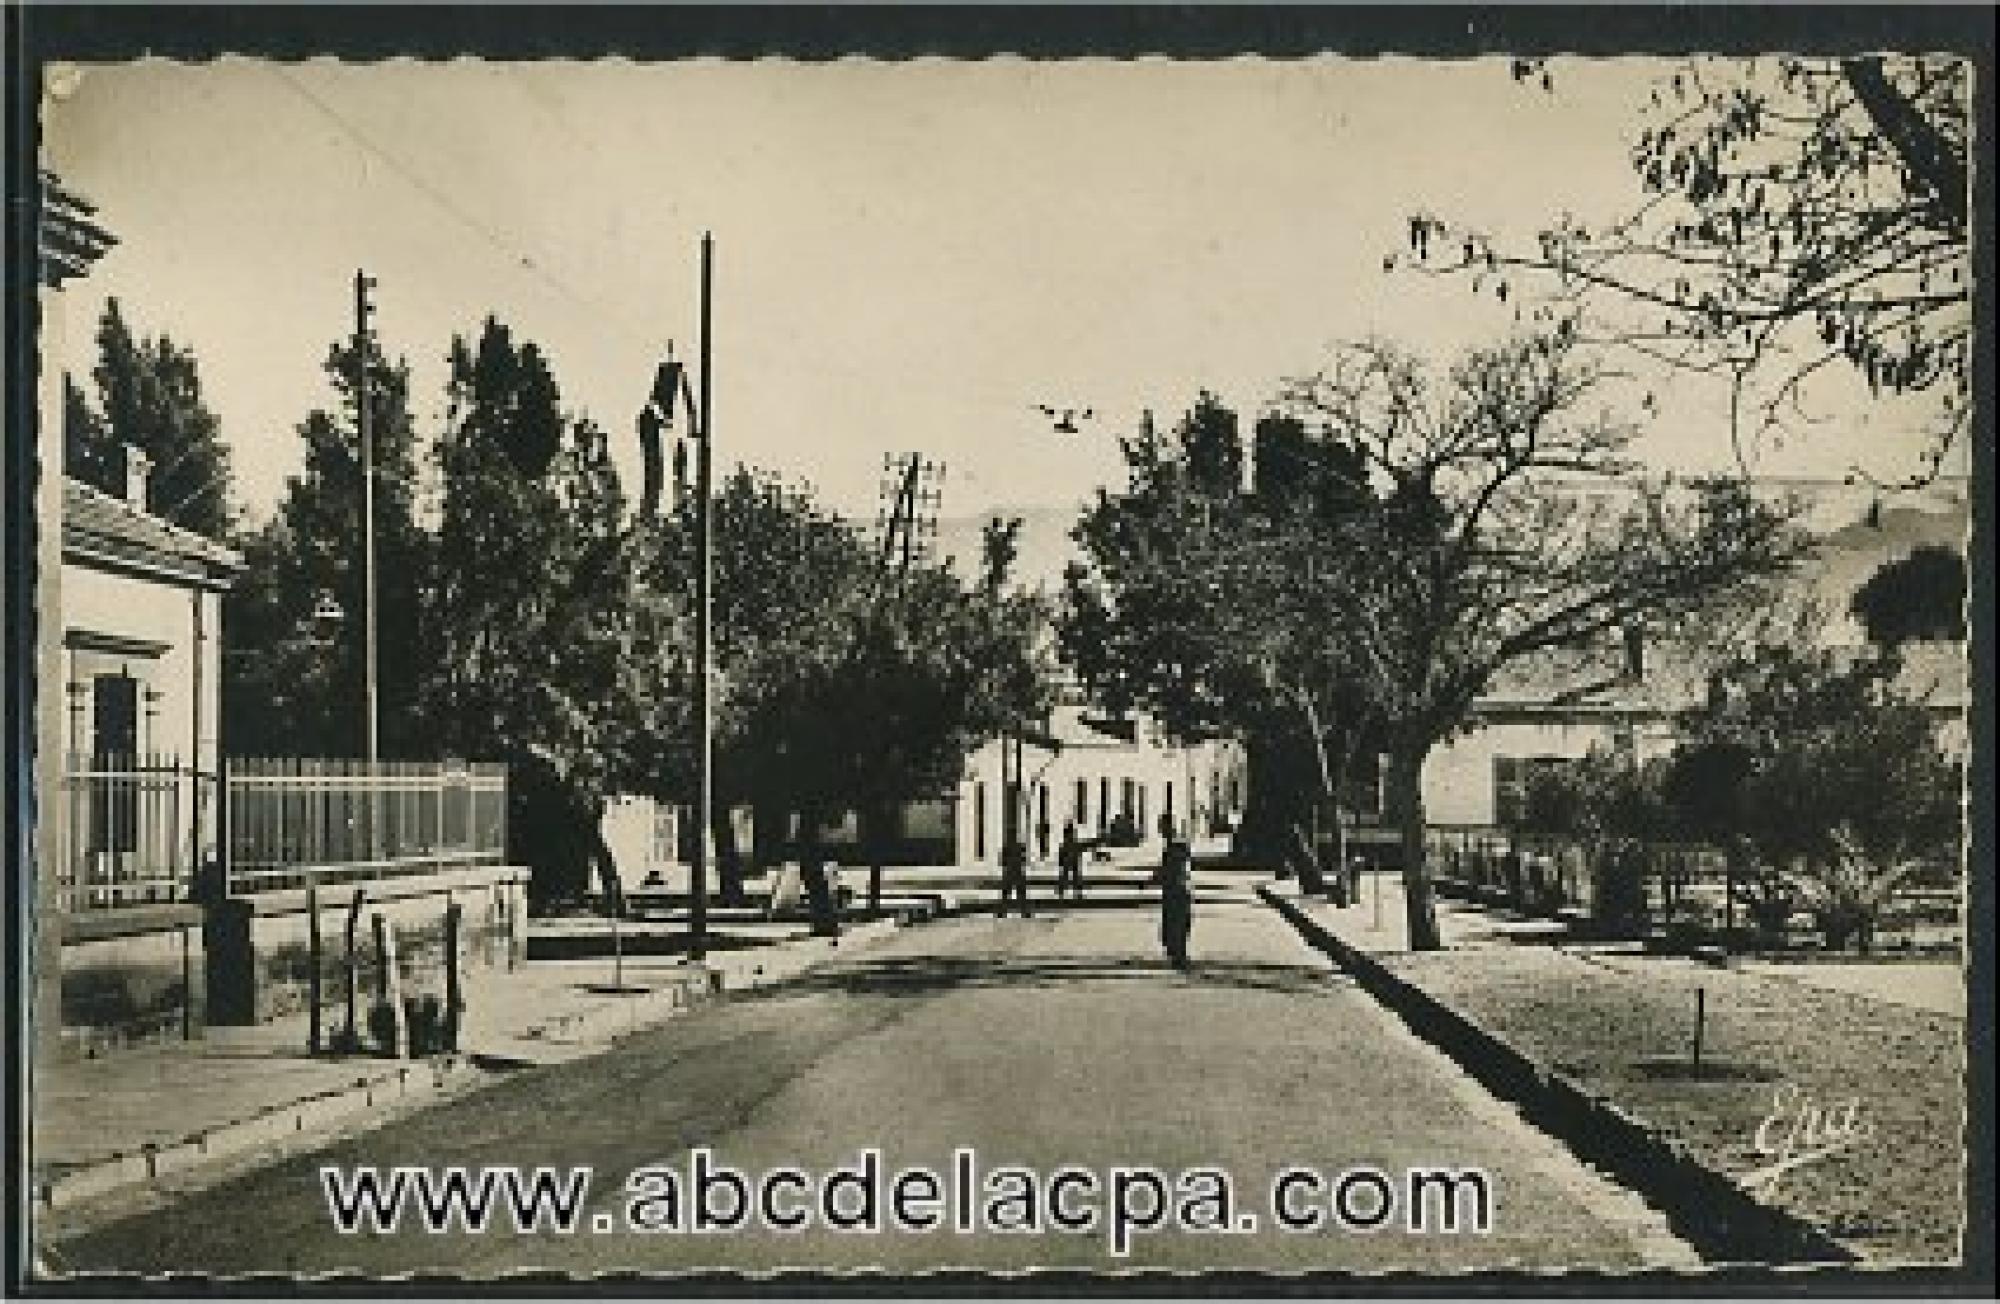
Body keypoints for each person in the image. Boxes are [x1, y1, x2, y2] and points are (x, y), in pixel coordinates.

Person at [1157, 829, 1194, 968]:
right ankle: (1178, 952)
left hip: (1175, 895)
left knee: (1176, 924)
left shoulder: (1174, 863)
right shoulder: (1179, 865)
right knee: (1178, 924)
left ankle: (1177, 952)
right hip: (1178, 895)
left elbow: (1160, 874)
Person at [997, 836, 1033, 918]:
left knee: (1006, 893)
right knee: (1020, 893)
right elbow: (1024, 860)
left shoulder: (1006, 848)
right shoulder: (1020, 847)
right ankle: (1024, 912)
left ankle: (1003, 912)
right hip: (1017, 872)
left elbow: (1002, 862)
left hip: (1009, 872)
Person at [1056, 821, 1086, 900]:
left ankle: (1062, 892)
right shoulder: (1072, 842)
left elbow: (1063, 850)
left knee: (1067, 877)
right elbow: (1078, 850)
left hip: (1069, 859)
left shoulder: (1068, 841)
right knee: (1073, 877)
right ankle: (1076, 894)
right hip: (1071, 859)